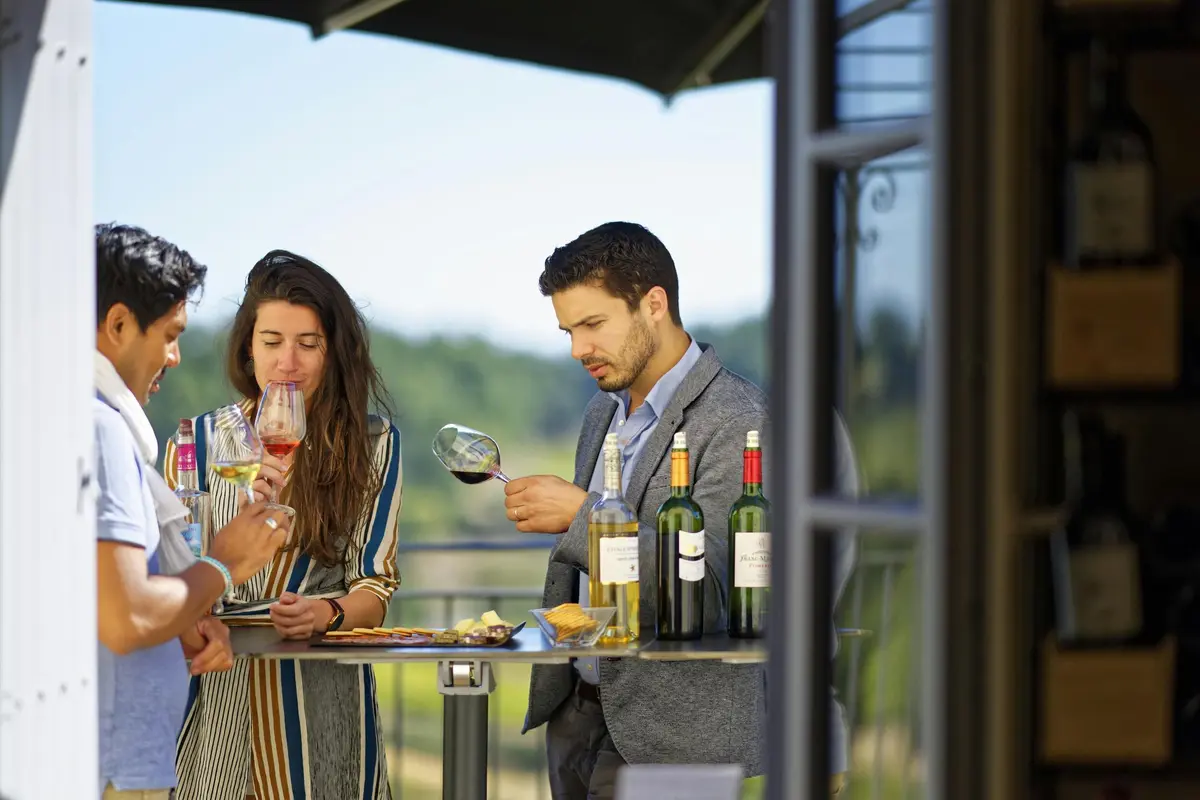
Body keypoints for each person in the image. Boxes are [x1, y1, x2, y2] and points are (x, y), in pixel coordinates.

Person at [503, 221, 859, 799]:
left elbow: (715, 591)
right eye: (568, 330)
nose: (578, 349)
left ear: (654, 304)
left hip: (675, 732)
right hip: (579, 714)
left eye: (593, 324)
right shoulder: (603, 413)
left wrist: (581, 515)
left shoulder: (741, 421)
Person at [163, 250, 404, 800]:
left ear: (333, 351)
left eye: (308, 344)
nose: (287, 362)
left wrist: (327, 611)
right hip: (214, 696)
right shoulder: (195, 442)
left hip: (317, 705)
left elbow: (375, 586)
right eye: (271, 342)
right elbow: (168, 578)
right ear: (248, 348)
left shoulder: (371, 443)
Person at [94, 222, 291, 800]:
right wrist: (224, 565)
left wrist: (179, 614)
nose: (176, 357)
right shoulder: (101, 430)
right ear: (119, 324)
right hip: (116, 766)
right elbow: (127, 619)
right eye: (171, 334)